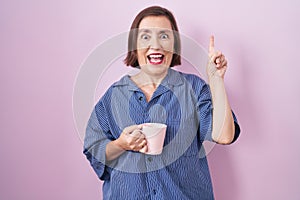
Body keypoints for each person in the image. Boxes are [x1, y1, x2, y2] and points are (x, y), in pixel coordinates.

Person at [83, 6, 240, 200]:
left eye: (164, 36)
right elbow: (95, 151)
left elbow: (224, 136)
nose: (156, 45)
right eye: (146, 37)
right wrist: (121, 144)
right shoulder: (114, 96)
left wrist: (216, 80)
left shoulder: (193, 89)